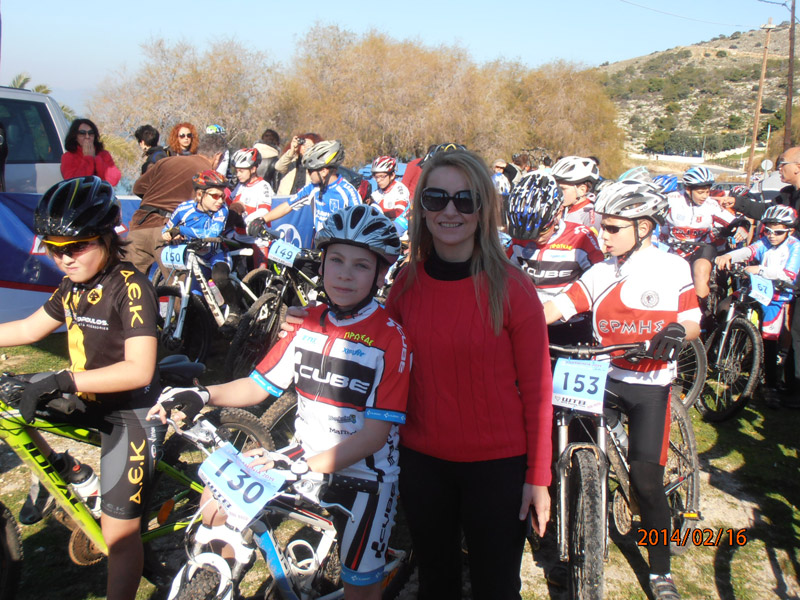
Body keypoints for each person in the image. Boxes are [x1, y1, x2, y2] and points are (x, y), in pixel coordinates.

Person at [149, 204, 409, 600]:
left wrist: (297, 464)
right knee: (213, 504)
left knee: (360, 589)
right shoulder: (306, 323)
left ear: (379, 275)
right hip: (303, 455)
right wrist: (204, 394)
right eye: (336, 260)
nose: (344, 274)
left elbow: (374, 437)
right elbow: (257, 387)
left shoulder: (392, 339)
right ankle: (221, 575)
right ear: (322, 264)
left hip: (365, 474)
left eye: (360, 266)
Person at [384, 149, 552, 599]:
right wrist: (314, 321)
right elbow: (372, 347)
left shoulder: (514, 288)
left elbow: (538, 391)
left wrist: (538, 477)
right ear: (422, 208)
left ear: (484, 209)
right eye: (436, 198)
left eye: (466, 199)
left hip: (497, 469)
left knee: (496, 588)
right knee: (435, 583)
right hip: (423, 464)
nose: (450, 211)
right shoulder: (406, 284)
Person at [0, 176, 163, 600]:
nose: (64, 258)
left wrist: (65, 379)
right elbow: (30, 328)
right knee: (7, 394)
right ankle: (69, 471)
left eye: (76, 247)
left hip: (130, 411)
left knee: (119, 538)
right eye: (54, 249)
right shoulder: (73, 283)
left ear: (107, 237)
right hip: (87, 396)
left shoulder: (131, 288)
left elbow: (140, 370)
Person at [542, 180, 701, 600]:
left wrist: (676, 331)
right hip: (603, 378)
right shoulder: (600, 272)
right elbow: (558, 306)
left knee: (646, 483)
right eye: (602, 227)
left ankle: (660, 570)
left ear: (643, 228)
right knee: (568, 458)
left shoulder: (672, 268)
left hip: (650, 385)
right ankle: (571, 542)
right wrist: (517, 323)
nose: (603, 236)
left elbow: (693, 321)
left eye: (613, 228)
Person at [721, 146, 800, 397]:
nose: (779, 168)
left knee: (790, 332)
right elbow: (763, 217)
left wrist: (762, 269)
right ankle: (764, 371)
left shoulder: (793, 244)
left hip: (788, 279)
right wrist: (739, 204)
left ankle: (786, 386)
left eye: (782, 163)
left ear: (797, 167)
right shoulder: (786, 196)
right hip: (768, 285)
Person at [716, 205, 800, 409]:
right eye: (768, 230)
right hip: (757, 289)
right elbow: (749, 250)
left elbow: (788, 275)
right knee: (724, 307)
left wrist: (760, 269)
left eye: (778, 232)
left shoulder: (795, 246)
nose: (771, 236)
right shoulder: (765, 241)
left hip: (777, 297)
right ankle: (726, 352)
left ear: (789, 231)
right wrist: (729, 256)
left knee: (769, 339)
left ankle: (770, 384)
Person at [505, 173, 604, 344]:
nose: (534, 238)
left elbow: (600, 282)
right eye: (526, 233)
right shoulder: (517, 241)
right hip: (527, 323)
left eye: (542, 230)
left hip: (570, 327)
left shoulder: (582, 237)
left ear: (558, 213)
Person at [128, 133, 227, 276]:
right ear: (218, 156)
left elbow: (138, 188)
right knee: (180, 286)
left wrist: (156, 198)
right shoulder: (207, 175)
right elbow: (215, 209)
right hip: (169, 231)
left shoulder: (166, 161)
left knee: (129, 284)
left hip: (139, 226)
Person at [661, 166, 748, 316]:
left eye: (707, 191)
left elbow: (734, 221)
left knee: (700, 270)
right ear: (688, 189)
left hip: (702, 247)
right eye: (700, 192)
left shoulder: (710, 205)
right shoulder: (671, 200)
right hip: (675, 248)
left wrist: (743, 226)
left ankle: (701, 315)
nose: (705, 196)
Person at [162, 169, 241, 332]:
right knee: (194, 302)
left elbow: (212, 233)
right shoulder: (183, 209)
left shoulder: (222, 210)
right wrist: (171, 235)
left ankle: (235, 311)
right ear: (199, 195)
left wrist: (181, 230)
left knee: (220, 278)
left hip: (217, 255)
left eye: (222, 196)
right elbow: (166, 231)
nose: (220, 200)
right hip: (196, 259)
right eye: (215, 196)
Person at [257, 140, 360, 237]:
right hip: (320, 244)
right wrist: (262, 219)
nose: (308, 173)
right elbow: (287, 206)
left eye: (310, 170)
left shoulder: (348, 192)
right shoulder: (313, 188)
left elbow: (359, 225)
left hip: (339, 246)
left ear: (324, 171)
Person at [60, 119, 121, 186]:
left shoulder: (104, 154)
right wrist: (88, 158)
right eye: (82, 133)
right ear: (75, 136)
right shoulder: (68, 157)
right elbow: (73, 183)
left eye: (91, 133)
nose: (87, 136)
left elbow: (113, 180)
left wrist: (96, 159)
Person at [551, 155, 601, 231]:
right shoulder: (561, 209)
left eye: (562, 189)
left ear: (582, 190)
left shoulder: (590, 217)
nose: (557, 193)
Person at [229, 147, 275, 226]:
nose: (238, 174)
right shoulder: (240, 185)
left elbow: (265, 211)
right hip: (237, 232)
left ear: (253, 169)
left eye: (241, 171)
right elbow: (230, 202)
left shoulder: (263, 186)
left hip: (254, 232)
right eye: (236, 171)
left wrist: (244, 221)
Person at [368, 155, 409, 220]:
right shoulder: (377, 193)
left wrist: (378, 213)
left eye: (382, 176)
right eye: (376, 177)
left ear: (392, 175)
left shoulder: (400, 189)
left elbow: (399, 212)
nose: (378, 180)